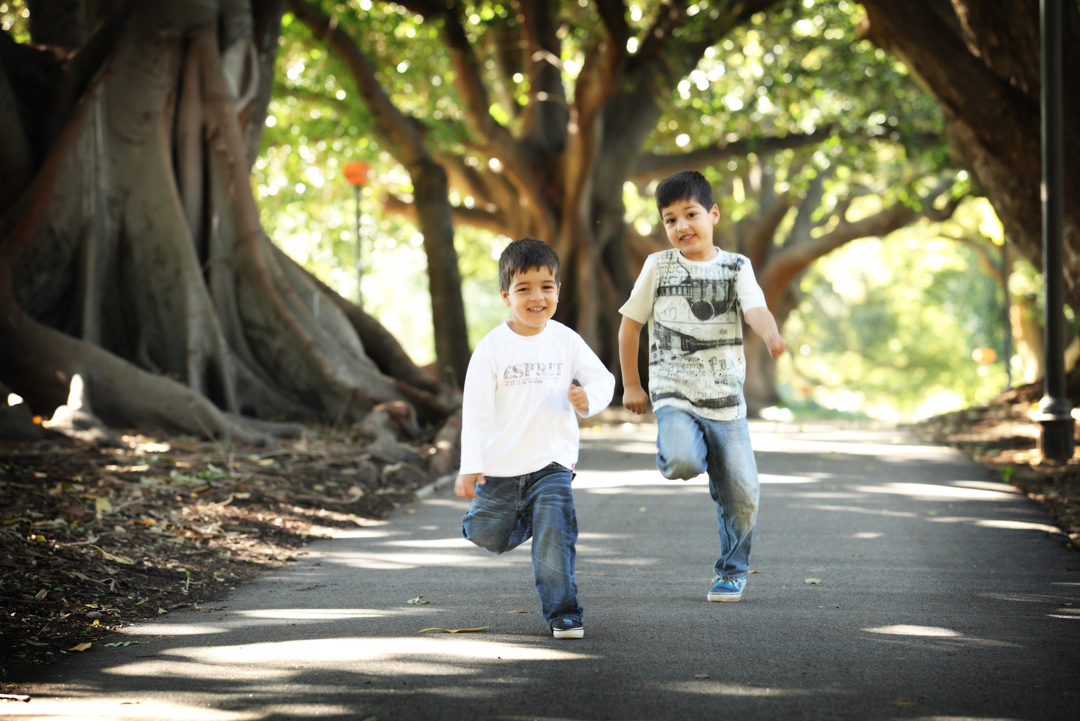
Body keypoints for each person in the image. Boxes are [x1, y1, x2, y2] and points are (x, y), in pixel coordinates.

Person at [618, 169, 785, 603]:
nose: (681, 226)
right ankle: (697, 454)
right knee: (681, 461)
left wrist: (770, 334)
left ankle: (732, 571)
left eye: (690, 214)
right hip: (673, 392)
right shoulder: (658, 266)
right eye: (670, 220)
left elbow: (756, 309)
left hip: (726, 402)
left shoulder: (736, 267)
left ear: (713, 214)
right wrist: (632, 386)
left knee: (744, 495)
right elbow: (629, 325)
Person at [455, 237, 615, 639]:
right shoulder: (491, 348)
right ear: (506, 295)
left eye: (546, 287)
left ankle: (564, 612)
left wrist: (587, 398)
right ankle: (532, 518)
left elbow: (603, 380)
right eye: (524, 289)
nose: (537, 297)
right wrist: (470, 466)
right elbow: (476, 411)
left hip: (553, 463)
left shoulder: (565, 340)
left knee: (554, 528)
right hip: (501, 467)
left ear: (558, 290)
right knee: (484, 534)